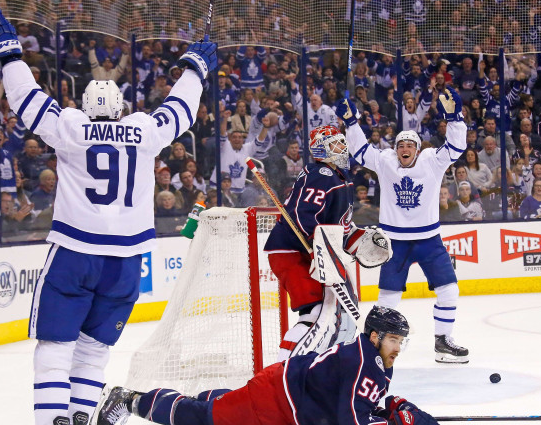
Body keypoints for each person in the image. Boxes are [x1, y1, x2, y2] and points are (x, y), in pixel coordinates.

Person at [0, 4, 217, 425]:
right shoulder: (142, 130)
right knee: (94, 350)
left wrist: (11, 55)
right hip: (125, 262)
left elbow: (27, 101)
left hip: (74, 252)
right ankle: (83, 416)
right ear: (120, 106)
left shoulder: (70, 126)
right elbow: (178, 113)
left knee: (55, 347)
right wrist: (194, 71)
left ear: (86, 106)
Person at [95, 306, 438, 425]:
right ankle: (130, 399)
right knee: (206, 421)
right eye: (394, 339)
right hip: (275, 400)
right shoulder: (362, 361)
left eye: (400, 341)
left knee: (223, 407)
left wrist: (393, 408)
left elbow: (355, 405)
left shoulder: (377, 360)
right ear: (376, 336)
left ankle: (206, 397)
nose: (398, 347)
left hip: (290, 404)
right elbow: (351, 420)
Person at [339, 85, 470, 364]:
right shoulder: (386, 161)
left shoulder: (432, 161)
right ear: (395, 149)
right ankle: (370, 350)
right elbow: (361, 151)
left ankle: (443, 342)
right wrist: (351, 123)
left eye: (410, 145)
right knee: (388, 300)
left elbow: (457, 147)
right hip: (394, 242)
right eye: (400, 145)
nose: (405, 149)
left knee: (449, 291)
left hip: (429, 241)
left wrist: (456, 117)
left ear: (418, 149)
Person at [263, 124, 388, 361]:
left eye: (342, 142)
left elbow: (342, 228)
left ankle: (311, 364)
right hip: (291, 251)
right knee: (313, 313)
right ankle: (281, 370)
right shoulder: (321, 175)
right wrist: (316, 250)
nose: (342, 147)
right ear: (321, 150)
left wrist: (361, 242)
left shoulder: (341, 178)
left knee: (326, 314)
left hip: (309, 252)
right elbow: (302, 215)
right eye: (335, 144)